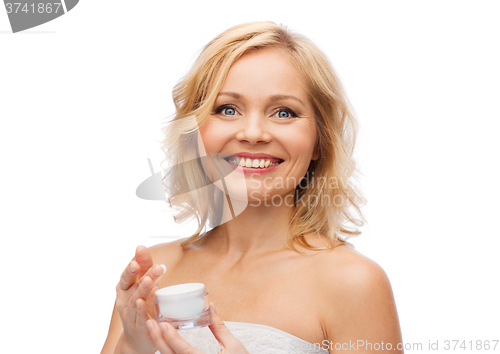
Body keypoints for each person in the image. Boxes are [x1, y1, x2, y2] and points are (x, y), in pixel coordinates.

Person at [101, 21, 403, 354]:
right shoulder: (156, 273)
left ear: (320, 140)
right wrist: (130, 345)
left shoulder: (353, 283)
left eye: (284, 112)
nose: (253, 132)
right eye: (227, 109)